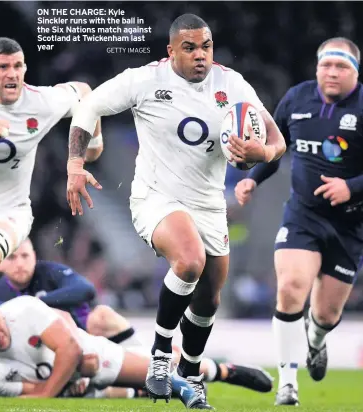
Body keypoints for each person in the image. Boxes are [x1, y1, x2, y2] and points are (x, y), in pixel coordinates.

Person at [65, 13, 286, 408]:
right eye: (189, 47)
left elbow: (276, 140)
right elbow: (89, 106)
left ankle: (191, 370)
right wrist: (76, 165)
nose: (200, 55)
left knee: (209, 299)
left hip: (208, 203)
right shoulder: (144, 80)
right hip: (156, 197)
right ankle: (161, 355)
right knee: (188, 262)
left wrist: (261, 153)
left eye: (206, 46)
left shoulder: (231, 83)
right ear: (171, 51)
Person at [0, 36, 103, 375]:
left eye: (18, 66)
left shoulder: (40, 101)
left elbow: (85, 92)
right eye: (3, 67)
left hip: (9, 210)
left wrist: (87, 149)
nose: (12, 74)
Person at [234, 37, 363, 406]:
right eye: (327, 65)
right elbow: (275, 149)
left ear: (355, 72)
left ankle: (316, 339)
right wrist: (251, 178)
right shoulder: (297, 98)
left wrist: (351, 187)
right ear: (317, 67)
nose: (332, 73)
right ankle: (287, 384)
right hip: (303, 216)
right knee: (290, 288)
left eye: (341, 67)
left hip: (350, 226)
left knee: (325, 313)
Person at [0, 296, 273, 404]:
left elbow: (70, 346)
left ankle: (223, 371)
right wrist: (60, 384)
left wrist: (52, 386)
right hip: (72, 381)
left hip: (91, 356)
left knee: (161, 374)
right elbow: (29, 393)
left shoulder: (23, 307)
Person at [0, 237, 143, 347]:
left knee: (102, 314)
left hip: (83, 336)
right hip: (40, 350)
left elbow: (86, 289)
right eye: (12, 258)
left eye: (25, 256)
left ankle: (148, 363)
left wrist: (34, 303)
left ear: (34, 257)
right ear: (0, 264)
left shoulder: (49, 271)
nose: (20, 263)